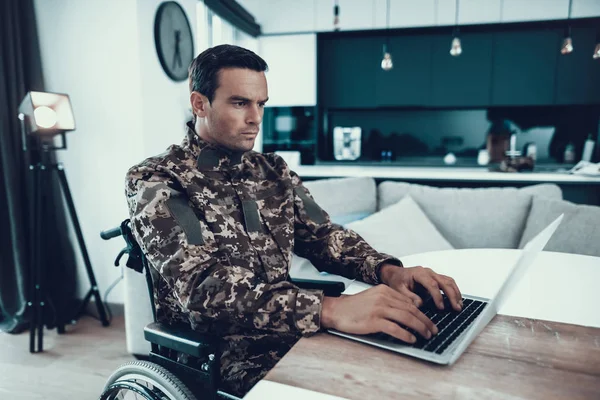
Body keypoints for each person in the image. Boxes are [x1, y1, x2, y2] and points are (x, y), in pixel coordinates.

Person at [125, 44, 463, 397]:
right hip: (224, 358)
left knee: (411, 370)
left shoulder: (275, 172)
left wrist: (388, 271)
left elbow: (324, 236)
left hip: (297, 332)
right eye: (240, 103)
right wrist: (329, 309)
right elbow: (205, 289)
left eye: (261, 104)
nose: (255, 117)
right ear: (200, 104)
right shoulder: (159, 181)